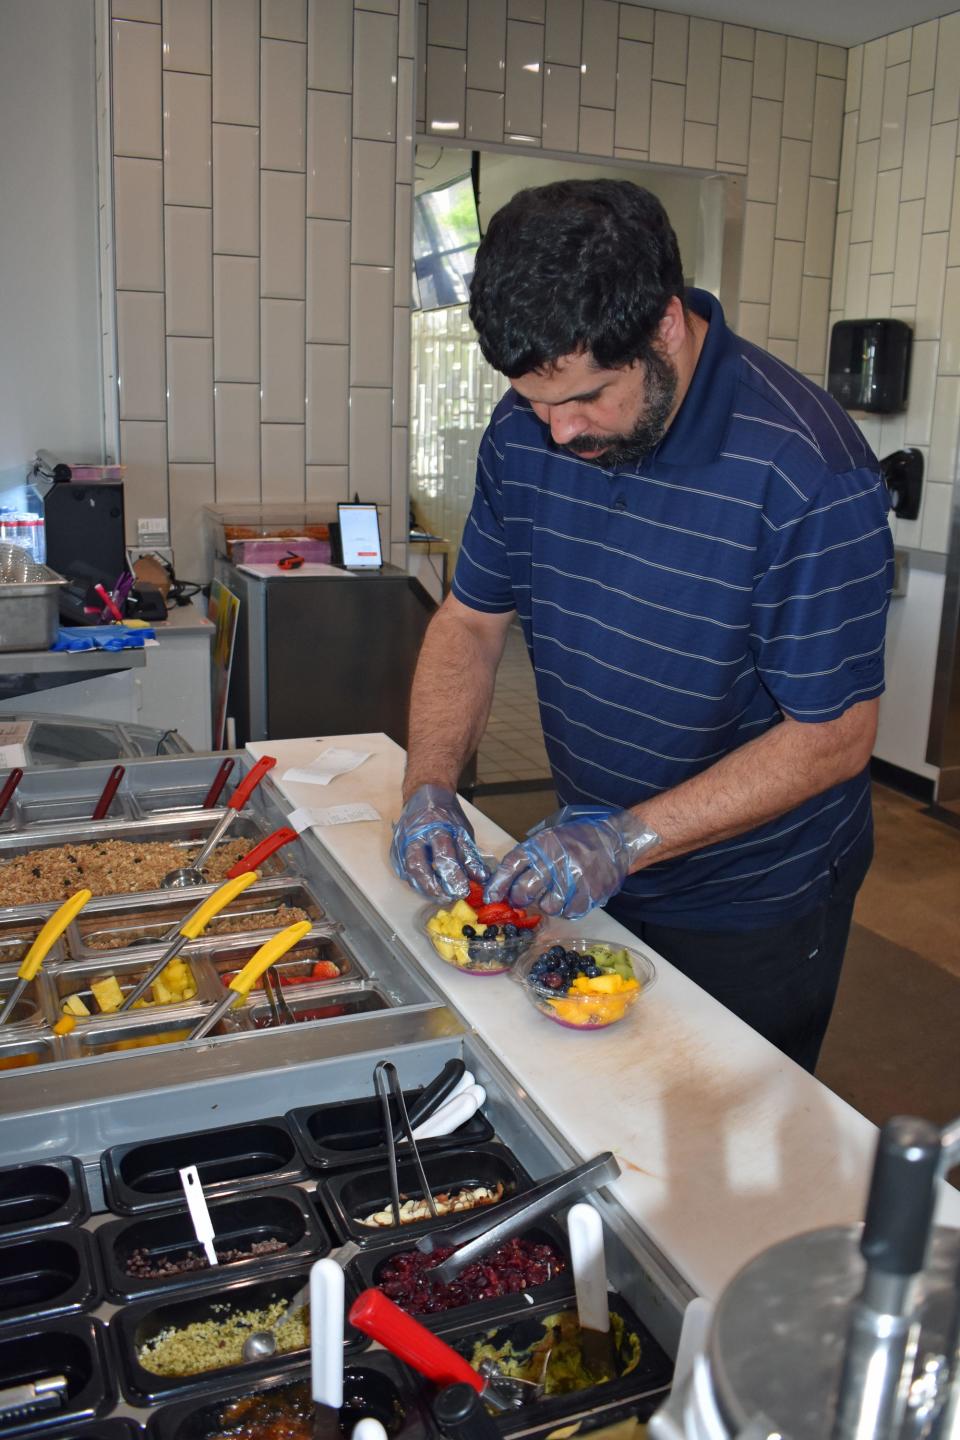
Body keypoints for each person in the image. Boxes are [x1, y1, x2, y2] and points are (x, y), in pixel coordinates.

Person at [391, 179, 893, 1071]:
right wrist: (429, 783)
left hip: (756, 899)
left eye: (585, 398)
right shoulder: (524, 429)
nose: (556, 432)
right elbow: (470, 621)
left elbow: (836, 736)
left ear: (664, 325)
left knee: (720, 1140)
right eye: (536, 401)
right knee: (602, 1101)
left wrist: (627, 839)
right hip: (596, 864)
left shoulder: (806, 469)